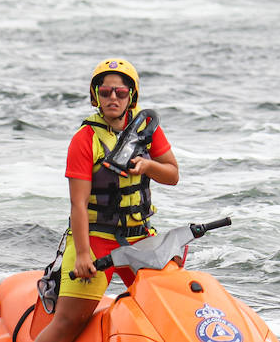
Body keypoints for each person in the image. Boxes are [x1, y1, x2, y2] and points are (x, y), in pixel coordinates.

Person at [36, 59, 179, 342]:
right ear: (96, 96)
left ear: (131, 95)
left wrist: (147, 166)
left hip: (139, 237)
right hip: (95, 238)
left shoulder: (147, 128)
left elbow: (172, 174)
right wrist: (83, 255)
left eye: (120, 92)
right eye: (105, 92)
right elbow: (78, 204)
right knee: (67, 323)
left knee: (170, 308)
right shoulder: (84, 138)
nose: (113, 98)